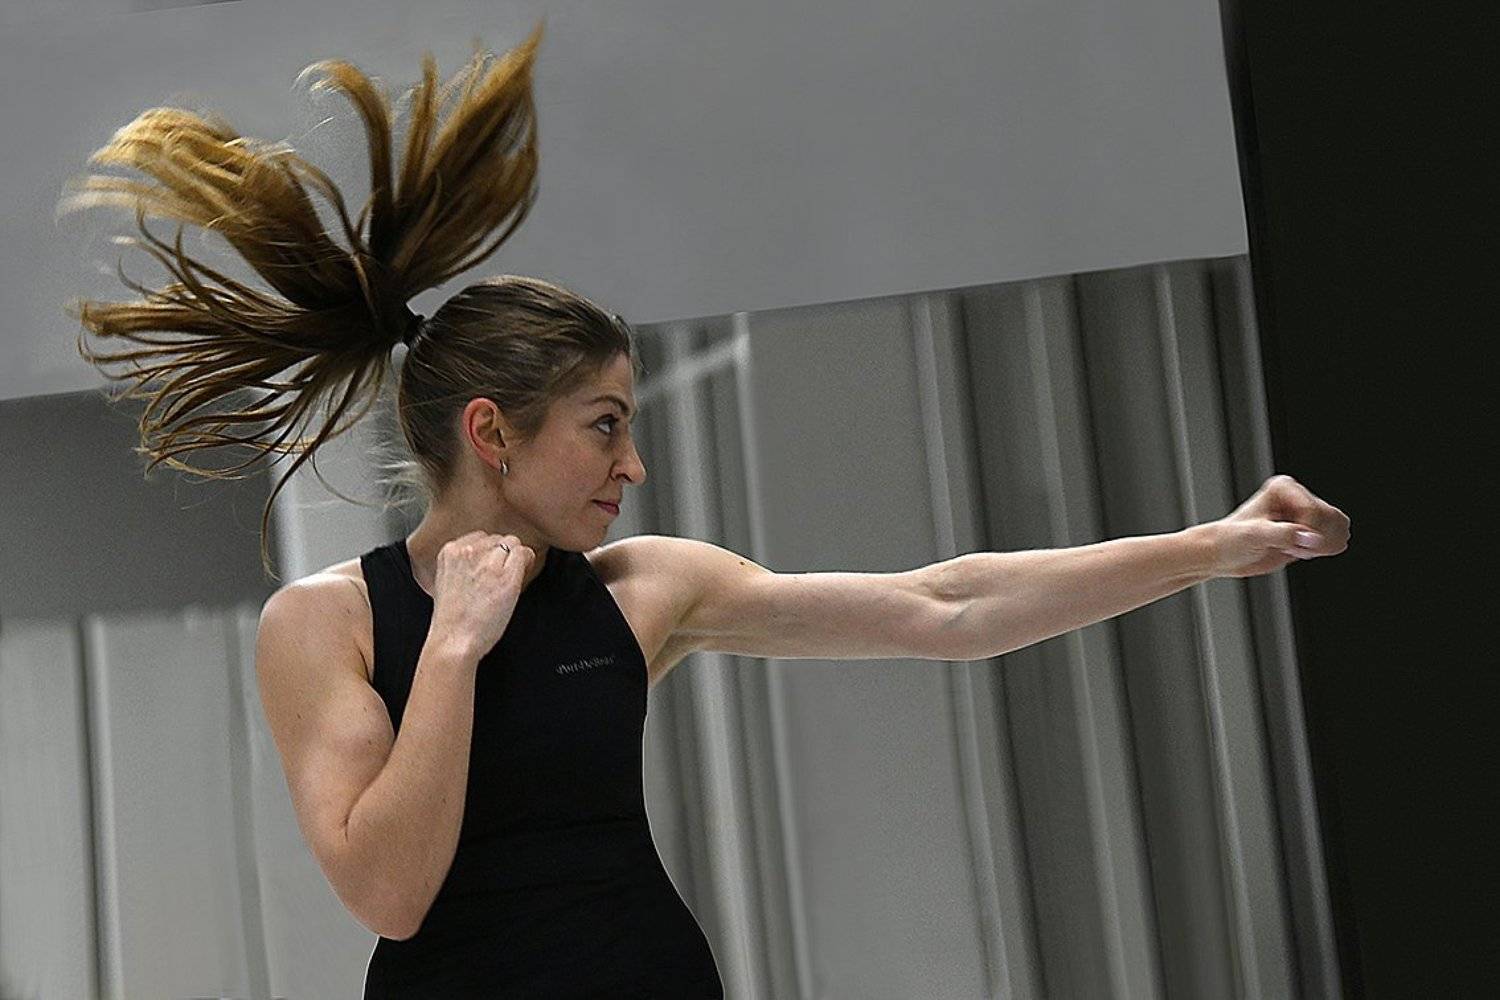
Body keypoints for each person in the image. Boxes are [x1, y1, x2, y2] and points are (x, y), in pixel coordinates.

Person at [59, 21, 1351, 999]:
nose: (632, 468)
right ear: (492, 435)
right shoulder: (325, 623)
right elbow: (393, 895)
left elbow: (946, 607)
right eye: (604, 427)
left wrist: (1215, 544)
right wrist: (451, 647)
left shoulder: (645, 591)